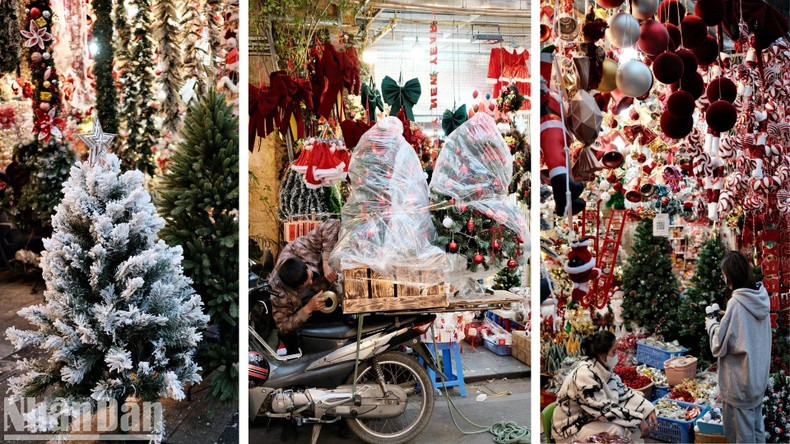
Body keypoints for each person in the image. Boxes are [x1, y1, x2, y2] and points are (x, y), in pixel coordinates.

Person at [707, 251, 771, 443]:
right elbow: (747, 330)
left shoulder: (736, 303)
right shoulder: (759, 297)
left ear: (730, 276)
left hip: (740, 382)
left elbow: (718, 345)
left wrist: (712, 325)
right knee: (757, 430)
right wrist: (728, 317)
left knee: (742, 437)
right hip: (757, 379)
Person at [552, 331, 657, 443]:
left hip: (589, 419)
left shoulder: (605, 370)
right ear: (602, 355)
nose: (616, 355)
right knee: (616, 430)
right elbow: (603, 410)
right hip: (570, 430)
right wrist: (637, 420)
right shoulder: (584, 376)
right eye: (614, 351)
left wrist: (647, 409)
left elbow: (624, 393)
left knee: (632, 426)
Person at [268, 219, 342, 354]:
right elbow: (283, 327)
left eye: (311, 277)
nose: (311, 282)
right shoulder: (279, 293)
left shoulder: (300, 249)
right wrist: (308, 308)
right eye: (307, 284)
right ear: (295, 287)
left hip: (331, 293)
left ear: (306, 266)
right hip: (305, 313)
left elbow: (331, 224)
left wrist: (326, 262)